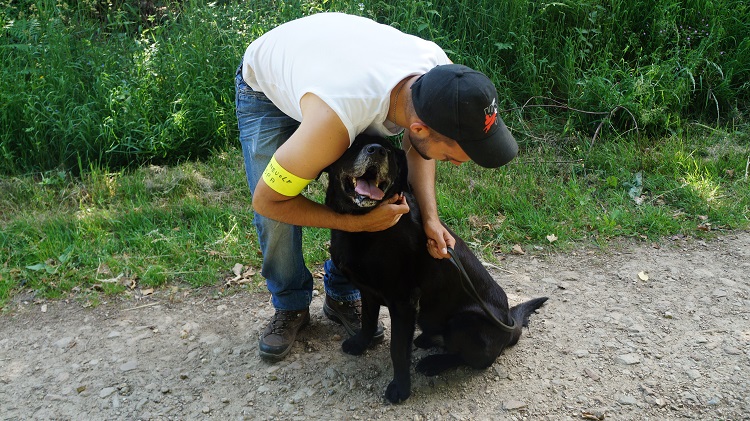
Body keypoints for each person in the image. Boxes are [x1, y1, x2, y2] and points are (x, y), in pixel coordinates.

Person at [235, 12, 518, 361]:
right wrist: (356, 224)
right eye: (455, 155)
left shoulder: (444, 79)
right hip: (267, 88)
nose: (461, 163)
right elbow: (267, 202)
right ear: (418, 127)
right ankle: (290, 305)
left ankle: (342, 293)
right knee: (279, 213)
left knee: (362, 191)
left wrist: (431, 218)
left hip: (334, 73)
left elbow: (421, 150)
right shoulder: (335, 120)